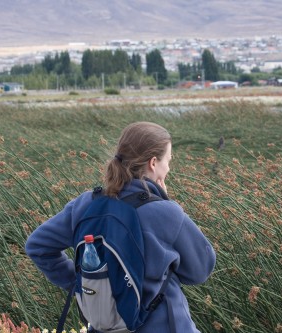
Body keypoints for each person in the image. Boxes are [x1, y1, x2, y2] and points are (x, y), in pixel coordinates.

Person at [25, 121, 216, 333]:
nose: (168, 168)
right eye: (168, 161)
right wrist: (169, 204)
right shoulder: (166, 212)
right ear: (153, 163)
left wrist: (83, 285)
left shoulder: (85, 204)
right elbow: (200, 270)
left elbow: (37, 246)